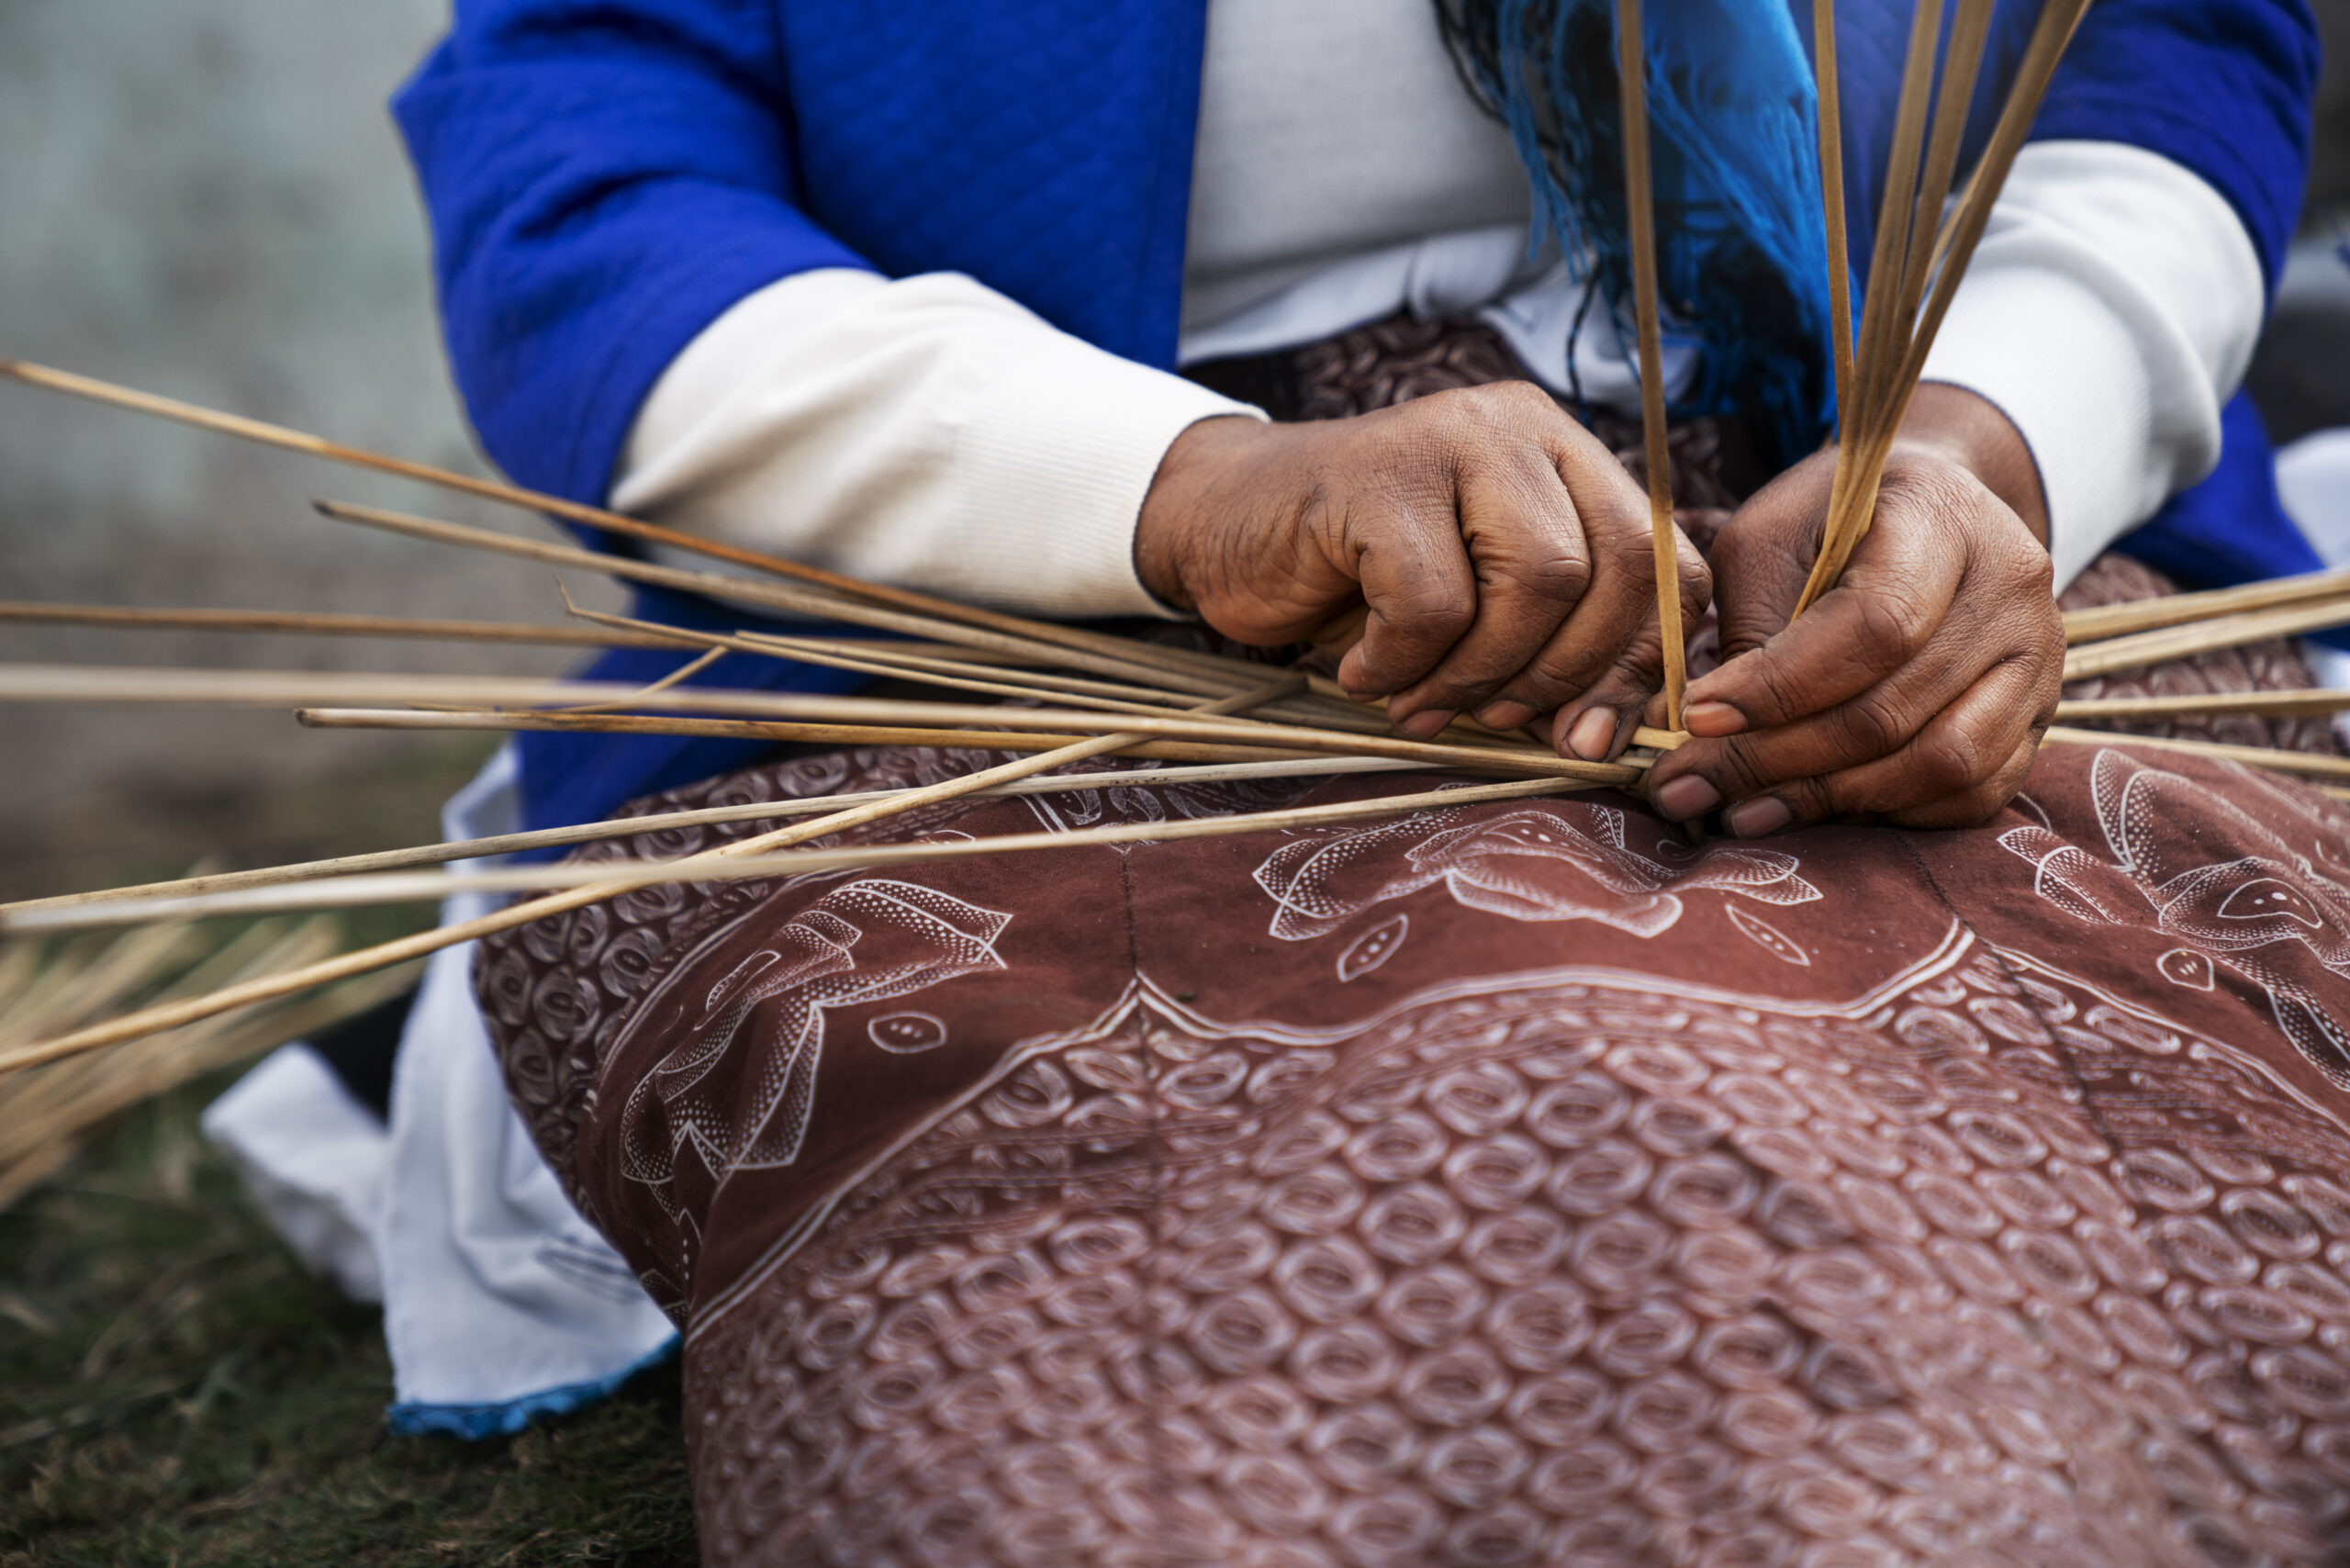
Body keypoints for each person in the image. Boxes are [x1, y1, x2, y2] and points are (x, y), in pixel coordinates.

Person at [222, 0, 2350, 1557]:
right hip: (1045, 584)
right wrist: (1183, 488)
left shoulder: (1966, 468)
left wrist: (1993, 447)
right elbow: (585, 193)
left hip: (1863, 461)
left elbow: (2165, 44)